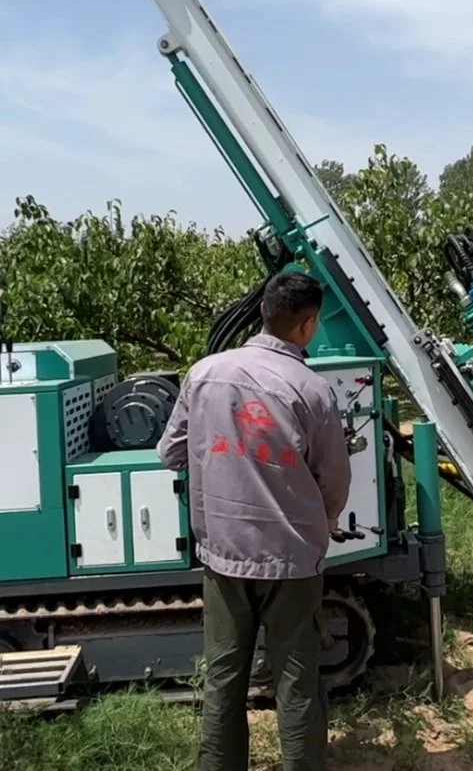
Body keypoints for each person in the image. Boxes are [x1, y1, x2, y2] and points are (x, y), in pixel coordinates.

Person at [157, 269, 351, 771]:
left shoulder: (204, 374)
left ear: (264, 313)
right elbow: (333, 480)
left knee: (224, 679)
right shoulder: (311, 389)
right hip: (290, 561)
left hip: (223, 555)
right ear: (308, 326)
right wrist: (322, 525)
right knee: (296, 682)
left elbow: (171, 451)